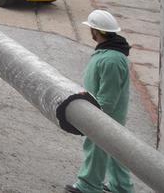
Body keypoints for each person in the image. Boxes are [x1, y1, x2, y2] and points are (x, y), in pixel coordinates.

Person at [65, 10, 133, 193]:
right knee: (116, 152)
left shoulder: (111, 60)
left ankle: (88, 186)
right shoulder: (110, 54)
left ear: (96, 31)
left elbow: (108, 99)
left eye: (92, 29)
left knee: (96, 148)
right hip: (108, 115)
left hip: (103, 115)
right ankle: (121, 188)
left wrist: (94, 118)